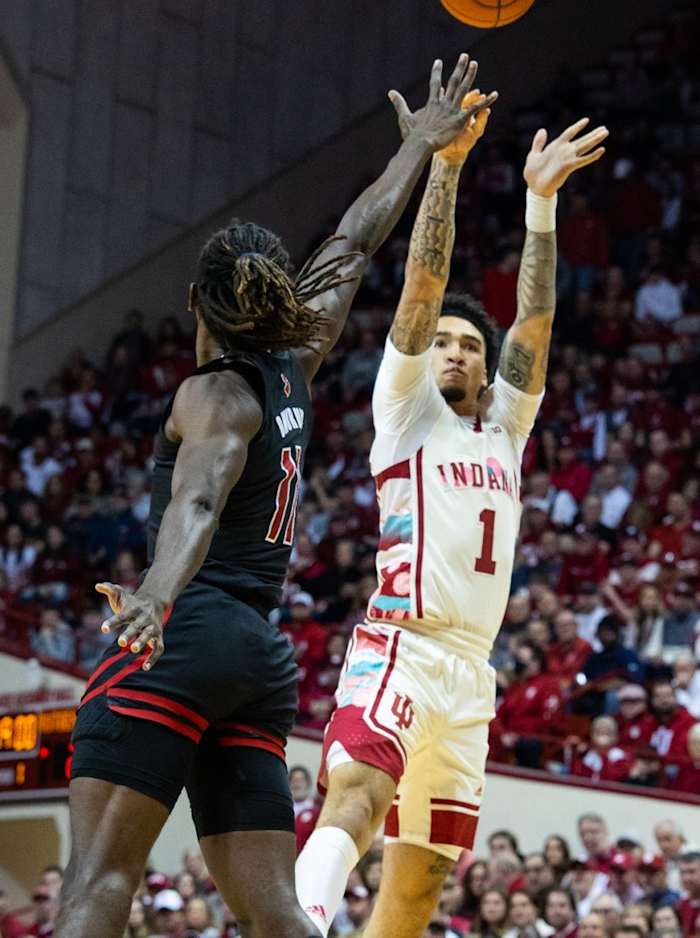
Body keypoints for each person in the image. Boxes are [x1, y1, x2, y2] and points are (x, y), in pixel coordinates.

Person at [55, 52, 494, 938]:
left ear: (195, 303)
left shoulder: (213, 393)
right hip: (259, 658)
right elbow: (356, 239)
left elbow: (201, 504)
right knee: (278, 914)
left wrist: (155, 595)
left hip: (187, 632)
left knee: (96, 888)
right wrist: (416, 149)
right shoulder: (298, 359)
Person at [295, 103, 608, 938]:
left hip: (472, 676)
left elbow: (534, 323)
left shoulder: (504, 426)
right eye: (446, 344)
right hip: (403, 644)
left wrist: (541, 202)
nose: (460, 352)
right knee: (355, 798)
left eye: (471, 344)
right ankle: (291, 926)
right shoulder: (403, 411)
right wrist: (447, 165)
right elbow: (422, 285)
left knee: (421, 885)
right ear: (422, 357)